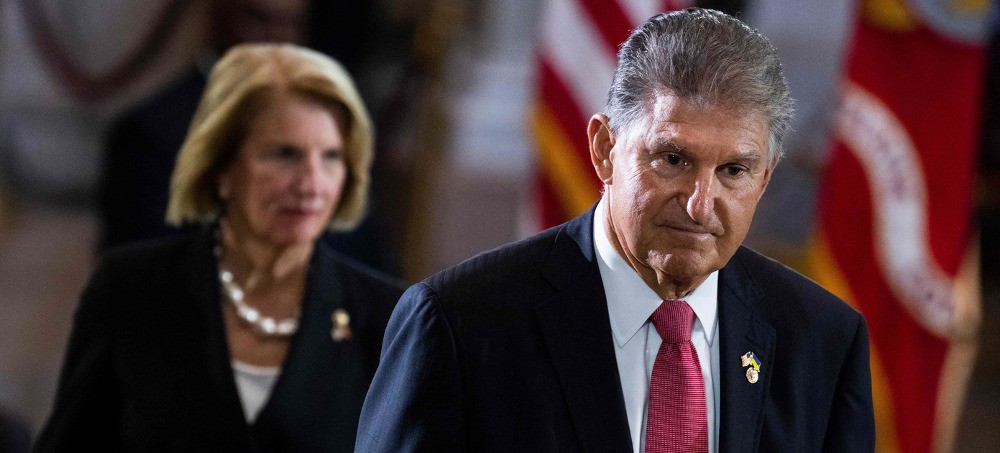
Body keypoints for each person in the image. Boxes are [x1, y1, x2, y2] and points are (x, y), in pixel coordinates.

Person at [357, 8, 874, 452]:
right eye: (673, 159)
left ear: (765, 178)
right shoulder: (459, 326)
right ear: (604, 148)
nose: (699, 205)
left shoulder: (821, 340)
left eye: (733, 172)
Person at [35, 43, 404, 452]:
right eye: (285, 155)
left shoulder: (387, 318)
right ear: (221, 166)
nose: (312, 185)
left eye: (332, 157)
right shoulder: (131, 289)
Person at [99, 0, 401, 275]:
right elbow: (137, 291)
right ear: (219, 14)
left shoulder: (335, 124)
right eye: (260, 21)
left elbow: (374, 267)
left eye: (292, 25)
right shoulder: (153, 135)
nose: (278, 40)